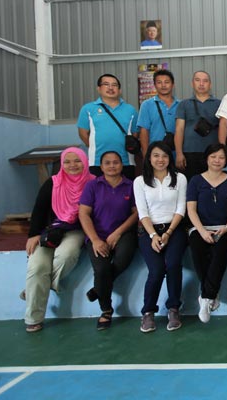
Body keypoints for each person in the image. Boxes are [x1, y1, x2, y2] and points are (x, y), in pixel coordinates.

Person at [23, 147, 94, 333]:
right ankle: (33, 319)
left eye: (77, 160)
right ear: (61, 164)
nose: (72, 165)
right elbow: (38, 209)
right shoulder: (52, 183)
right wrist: (33, 234)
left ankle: (37, 289)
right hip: (50, 230)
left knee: (66, 255)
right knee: (36, 266)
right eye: (67, 162)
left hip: (77, 230)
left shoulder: (92, 183)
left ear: (84, 161)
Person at [78, 151, 138, 330]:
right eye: (107, 163)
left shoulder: (131, 185)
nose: (112, 166)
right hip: (97, 234)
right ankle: (106, 310)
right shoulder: (92, 186)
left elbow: (136, 213)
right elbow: (84, 213)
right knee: (102, 268)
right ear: (101, 166)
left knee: (122, 260)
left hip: (123, 232)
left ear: (122, 165)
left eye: (116, 162)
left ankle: (98, 289)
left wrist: (118, 233)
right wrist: (95, 239)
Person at [134, 141, 188, 333]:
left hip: (174, 229)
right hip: (149, 231)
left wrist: (168, 233)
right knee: (156, 270)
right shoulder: (140, 181)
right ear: (149, 158)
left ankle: (173, 308)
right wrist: (153, 235)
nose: (160, 160)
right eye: (156, 155)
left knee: (173, 265)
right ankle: (148, 312)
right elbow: (142, 212)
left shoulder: (180, 178)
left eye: (164, 156)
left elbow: (181, 208)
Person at [187, 143, 227, 324]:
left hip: (225, 227)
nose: (217, 160)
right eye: (213, 156)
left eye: (221, 157)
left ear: (226, 160)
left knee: (220, 252)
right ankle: (210, 295)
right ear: (207, 158)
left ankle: (206, 297)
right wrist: (201, 231)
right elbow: (191, 210)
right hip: (200, 228)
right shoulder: (195, 181)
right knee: (198, 250)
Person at [77, 74, 139, 179]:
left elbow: (135, 134)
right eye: (106, 84)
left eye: (114, 85)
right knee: (99, 194)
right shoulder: (88, 109)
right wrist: (94, 145)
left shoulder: (130, 110)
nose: (110, 88)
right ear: (99, 89)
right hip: (97, 162)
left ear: (119, 90)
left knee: (127, 194)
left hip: (126, 162)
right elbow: (83, 133)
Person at [175, 71, 222, 180]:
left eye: (205, 81)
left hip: (213, 155)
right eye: (197, 80)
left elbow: (224, 128)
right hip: (189, 153)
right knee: (192, 186)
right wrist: (179, 153)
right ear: (192, 83)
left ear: (210, 85)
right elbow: (179, 129)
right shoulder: (184, 104)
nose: (201, 84)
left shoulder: (219, 104)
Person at [137, 69, 180, 157]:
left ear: (173, 84)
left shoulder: (181, 105)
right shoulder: (147, 105)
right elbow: (144, 132)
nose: (163, 85)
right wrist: (146, 155)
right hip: (155, 155)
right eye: (159, 82)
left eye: (167, 82)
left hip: (176, 154)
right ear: (155, 85)